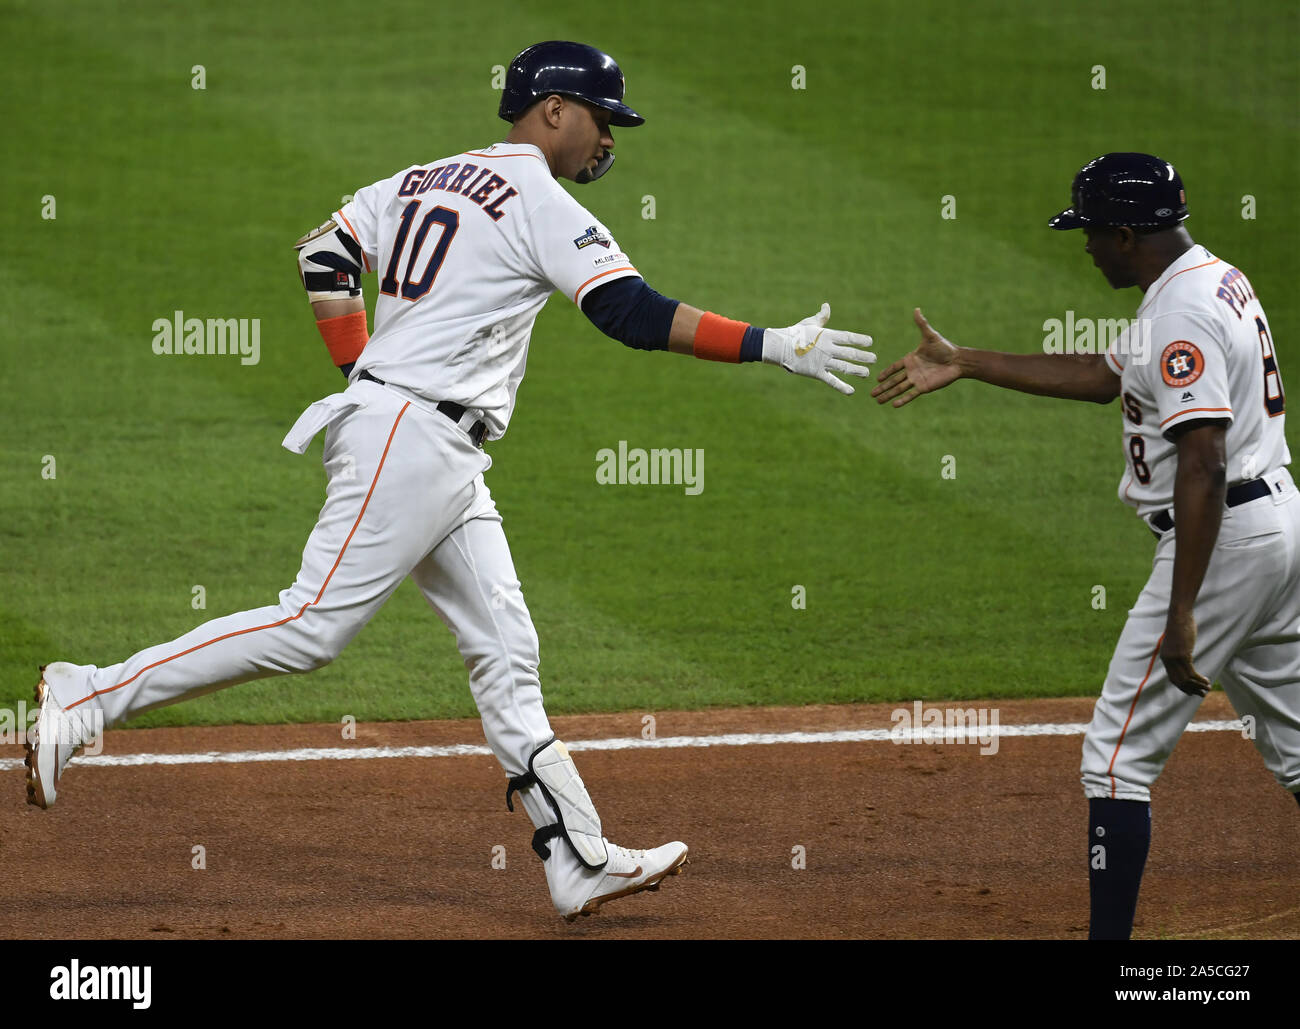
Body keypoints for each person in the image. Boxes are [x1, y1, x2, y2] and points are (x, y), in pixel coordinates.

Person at [24, 40, 875, 922]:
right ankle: (89, 692)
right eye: (601, 119)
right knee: (311, 625)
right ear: (551, 109)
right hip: (413, 438)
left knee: (506, 653)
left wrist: (360, 374)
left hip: (431, 444)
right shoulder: (539, 201)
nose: (609, 142)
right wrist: (773, 343)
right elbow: (629, 313)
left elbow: (324, 255)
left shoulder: (426, 176)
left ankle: (576, 858)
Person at [870, 152, 1299, 939]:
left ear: (1130, 233)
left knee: (1115, 759)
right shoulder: (1207, 278)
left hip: (1222, 540)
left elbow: (1201, 459)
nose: (1088, 248)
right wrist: (966, 361)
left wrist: (1183, 611)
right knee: (1299, 748)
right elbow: (1108, 376)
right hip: (1273, 528)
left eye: (1094, 234)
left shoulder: (1179, 313)